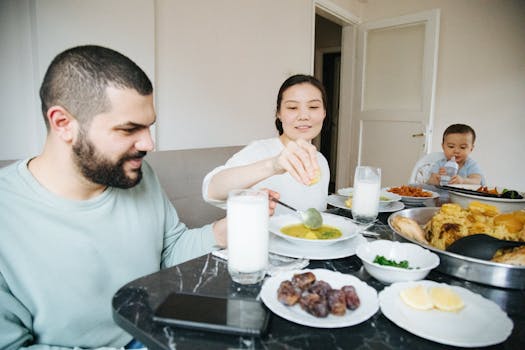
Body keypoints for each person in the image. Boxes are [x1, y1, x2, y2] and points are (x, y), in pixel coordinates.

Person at [0, 45, 230, 349]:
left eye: (148, 126)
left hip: (158, 329)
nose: (148, 142)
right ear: (63, 124)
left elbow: (170, 251)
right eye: (128, 129)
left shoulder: (138, 174)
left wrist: (224, 230)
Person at [202, 74, 329, 215]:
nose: (304, 116)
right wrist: (273, 165)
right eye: (293, 107)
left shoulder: (321, 161)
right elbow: (211, 190)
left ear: (324, 113)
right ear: (279, 114)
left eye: (313, 106)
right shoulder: (259, 151)